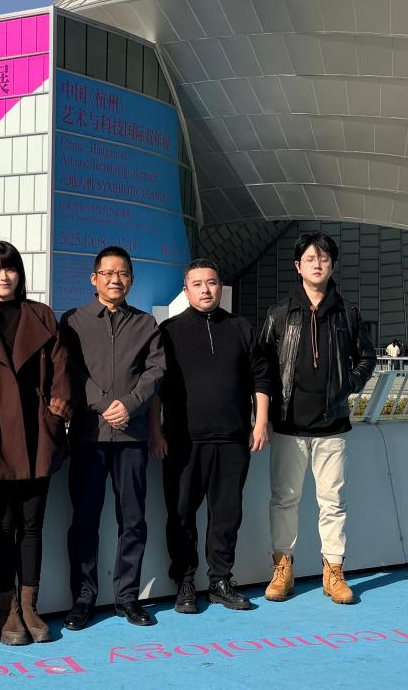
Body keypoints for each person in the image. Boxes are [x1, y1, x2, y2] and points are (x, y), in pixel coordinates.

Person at [0, 241, 73, 645]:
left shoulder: (41, 314)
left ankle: (29, 606)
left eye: (9, 268)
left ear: (19, 274)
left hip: (37, 432)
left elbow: (62, 366)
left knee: (32, 524)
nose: (3, 276)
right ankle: (6, 609)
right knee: (2, 524)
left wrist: (56, 410)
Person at [260, 231, 376, 605]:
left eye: (324, 259)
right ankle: (282, 568)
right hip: (288, 424)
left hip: (332, 424)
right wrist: (265, 413)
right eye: (310, 259)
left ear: (332, 265)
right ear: (298, 266)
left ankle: (334, 571)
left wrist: (348, 385)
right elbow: (263, 364)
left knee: (333, 502)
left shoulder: (348, 312)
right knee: (284, 500)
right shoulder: (279, 313)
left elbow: (366, 358)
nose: (317, 264)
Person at [149, 258, 271, 613]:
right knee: (181, 515)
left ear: (221, 287)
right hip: (183, 441)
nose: (206, 289)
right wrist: (155, 431)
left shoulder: (241, 327)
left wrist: (260, 421)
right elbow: (156, 387)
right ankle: (185, 582)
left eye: (212, 282)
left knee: (227, 515)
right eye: (198, 284)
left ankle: (220, 581)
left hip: (233, 439)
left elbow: (261, 376)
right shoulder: (168, 331)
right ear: (186, 290)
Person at [59, 245, 165, 630]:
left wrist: (130, 405)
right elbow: (71, 370)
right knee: (84, 520)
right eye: (107, 273)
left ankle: (127, 598)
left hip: (132, 436)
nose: (114, 279)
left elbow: (156, 371)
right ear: (94, 278)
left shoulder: (146, 324)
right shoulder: (73, 321)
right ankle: (83, 599)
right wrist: (105, 404)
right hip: (88, 436)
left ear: (131, 280)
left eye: (122, 273)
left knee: (133, 520)